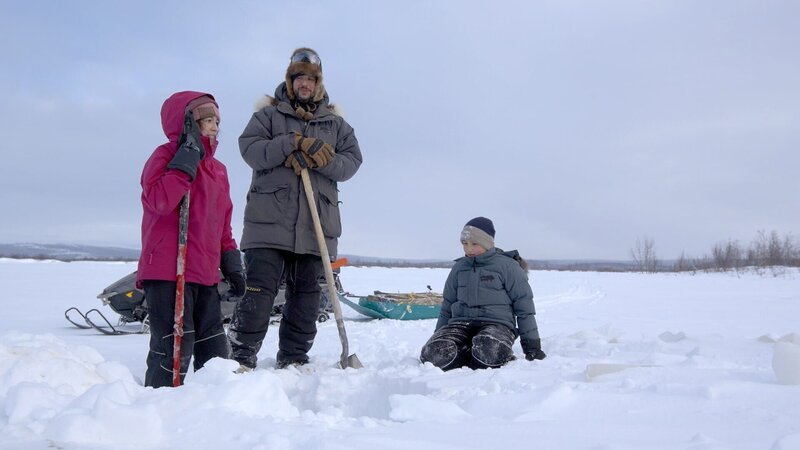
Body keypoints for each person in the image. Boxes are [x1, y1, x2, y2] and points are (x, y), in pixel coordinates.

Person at [229, 48, 363, 371]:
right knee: (259, 292)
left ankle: (293, 358)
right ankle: (241, 357)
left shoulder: (335, 124)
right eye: (298, 78)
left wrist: (323, 157)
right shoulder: (268, 116)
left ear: (318, 84)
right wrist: (289, 144)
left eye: (310, 79)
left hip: (316, 226)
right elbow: (251, 149)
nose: (304, 84)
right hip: (269, 223)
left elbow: (352, 161)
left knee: (306, 298)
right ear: (290, 81)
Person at [137, 91, 246, 387]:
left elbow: (223, 225)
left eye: (217, 121)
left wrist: (232, 263)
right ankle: (158, 407)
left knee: (215, 352)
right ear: (187, 123)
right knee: (173, 350)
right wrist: (183, 165)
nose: (213, 127)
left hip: (205, 273)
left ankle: (213, 412)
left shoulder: (218, 171)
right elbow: (159, 202)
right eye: (206, 120)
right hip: (168, 272)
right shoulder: (164, 156)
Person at [420, 217, 546, 370]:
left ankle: (483, 354)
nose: (469, 249)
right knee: (434, 353)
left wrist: (532, 347)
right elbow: (447, 305)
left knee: (488, 349)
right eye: (464, 244)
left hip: (497, 325)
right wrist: (438, 337)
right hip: (461, 323)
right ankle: (467, 352)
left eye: (474, 244)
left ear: (487, 243)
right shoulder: (459, 268)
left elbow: (524, 307)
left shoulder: (508, 267)